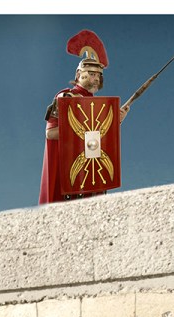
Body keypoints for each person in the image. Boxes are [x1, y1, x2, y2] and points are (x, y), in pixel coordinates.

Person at [39, 30, 125, 204]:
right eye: (92, 74)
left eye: (98, 75)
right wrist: (81, 131)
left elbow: (98, 137)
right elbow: (51, 133)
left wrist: (115, 121)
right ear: (79, 75)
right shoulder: (65, 98)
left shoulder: (98, 106)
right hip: (69, 175)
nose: (96, 79)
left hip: (92, 173)